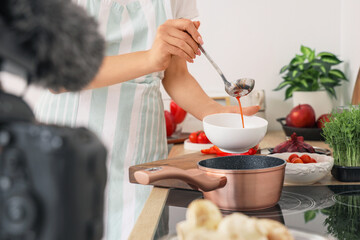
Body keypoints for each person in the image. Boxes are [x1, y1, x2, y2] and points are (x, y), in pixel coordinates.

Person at [34, 0, 260, 239]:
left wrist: (215, 114)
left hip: (141, 155)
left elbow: (176, 75)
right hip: (68, 153)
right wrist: (150, 58)